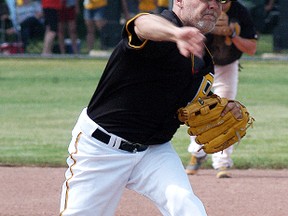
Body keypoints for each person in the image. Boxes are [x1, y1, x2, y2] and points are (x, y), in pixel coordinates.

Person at [59, 0, 244, 215]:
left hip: (154, 152)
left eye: (219, 0)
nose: (214, 5)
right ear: (180, 1)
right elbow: (141, 24)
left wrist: (223, 109)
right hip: (102, 149)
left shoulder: (202, 59)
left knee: (186, 206)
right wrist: (175, 33)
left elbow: (193, 104)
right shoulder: (161, 27)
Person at [185, 0, 258, 178]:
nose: (220, 4)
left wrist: (232, 34)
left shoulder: (241, 12)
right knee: (198, 110)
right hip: (202, 65)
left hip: (227, 66)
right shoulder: (203, 9)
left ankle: (222, 162)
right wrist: (207, 29)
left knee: (226, 111)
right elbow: (187, 37)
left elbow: (251, 48)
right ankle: (197, 153)